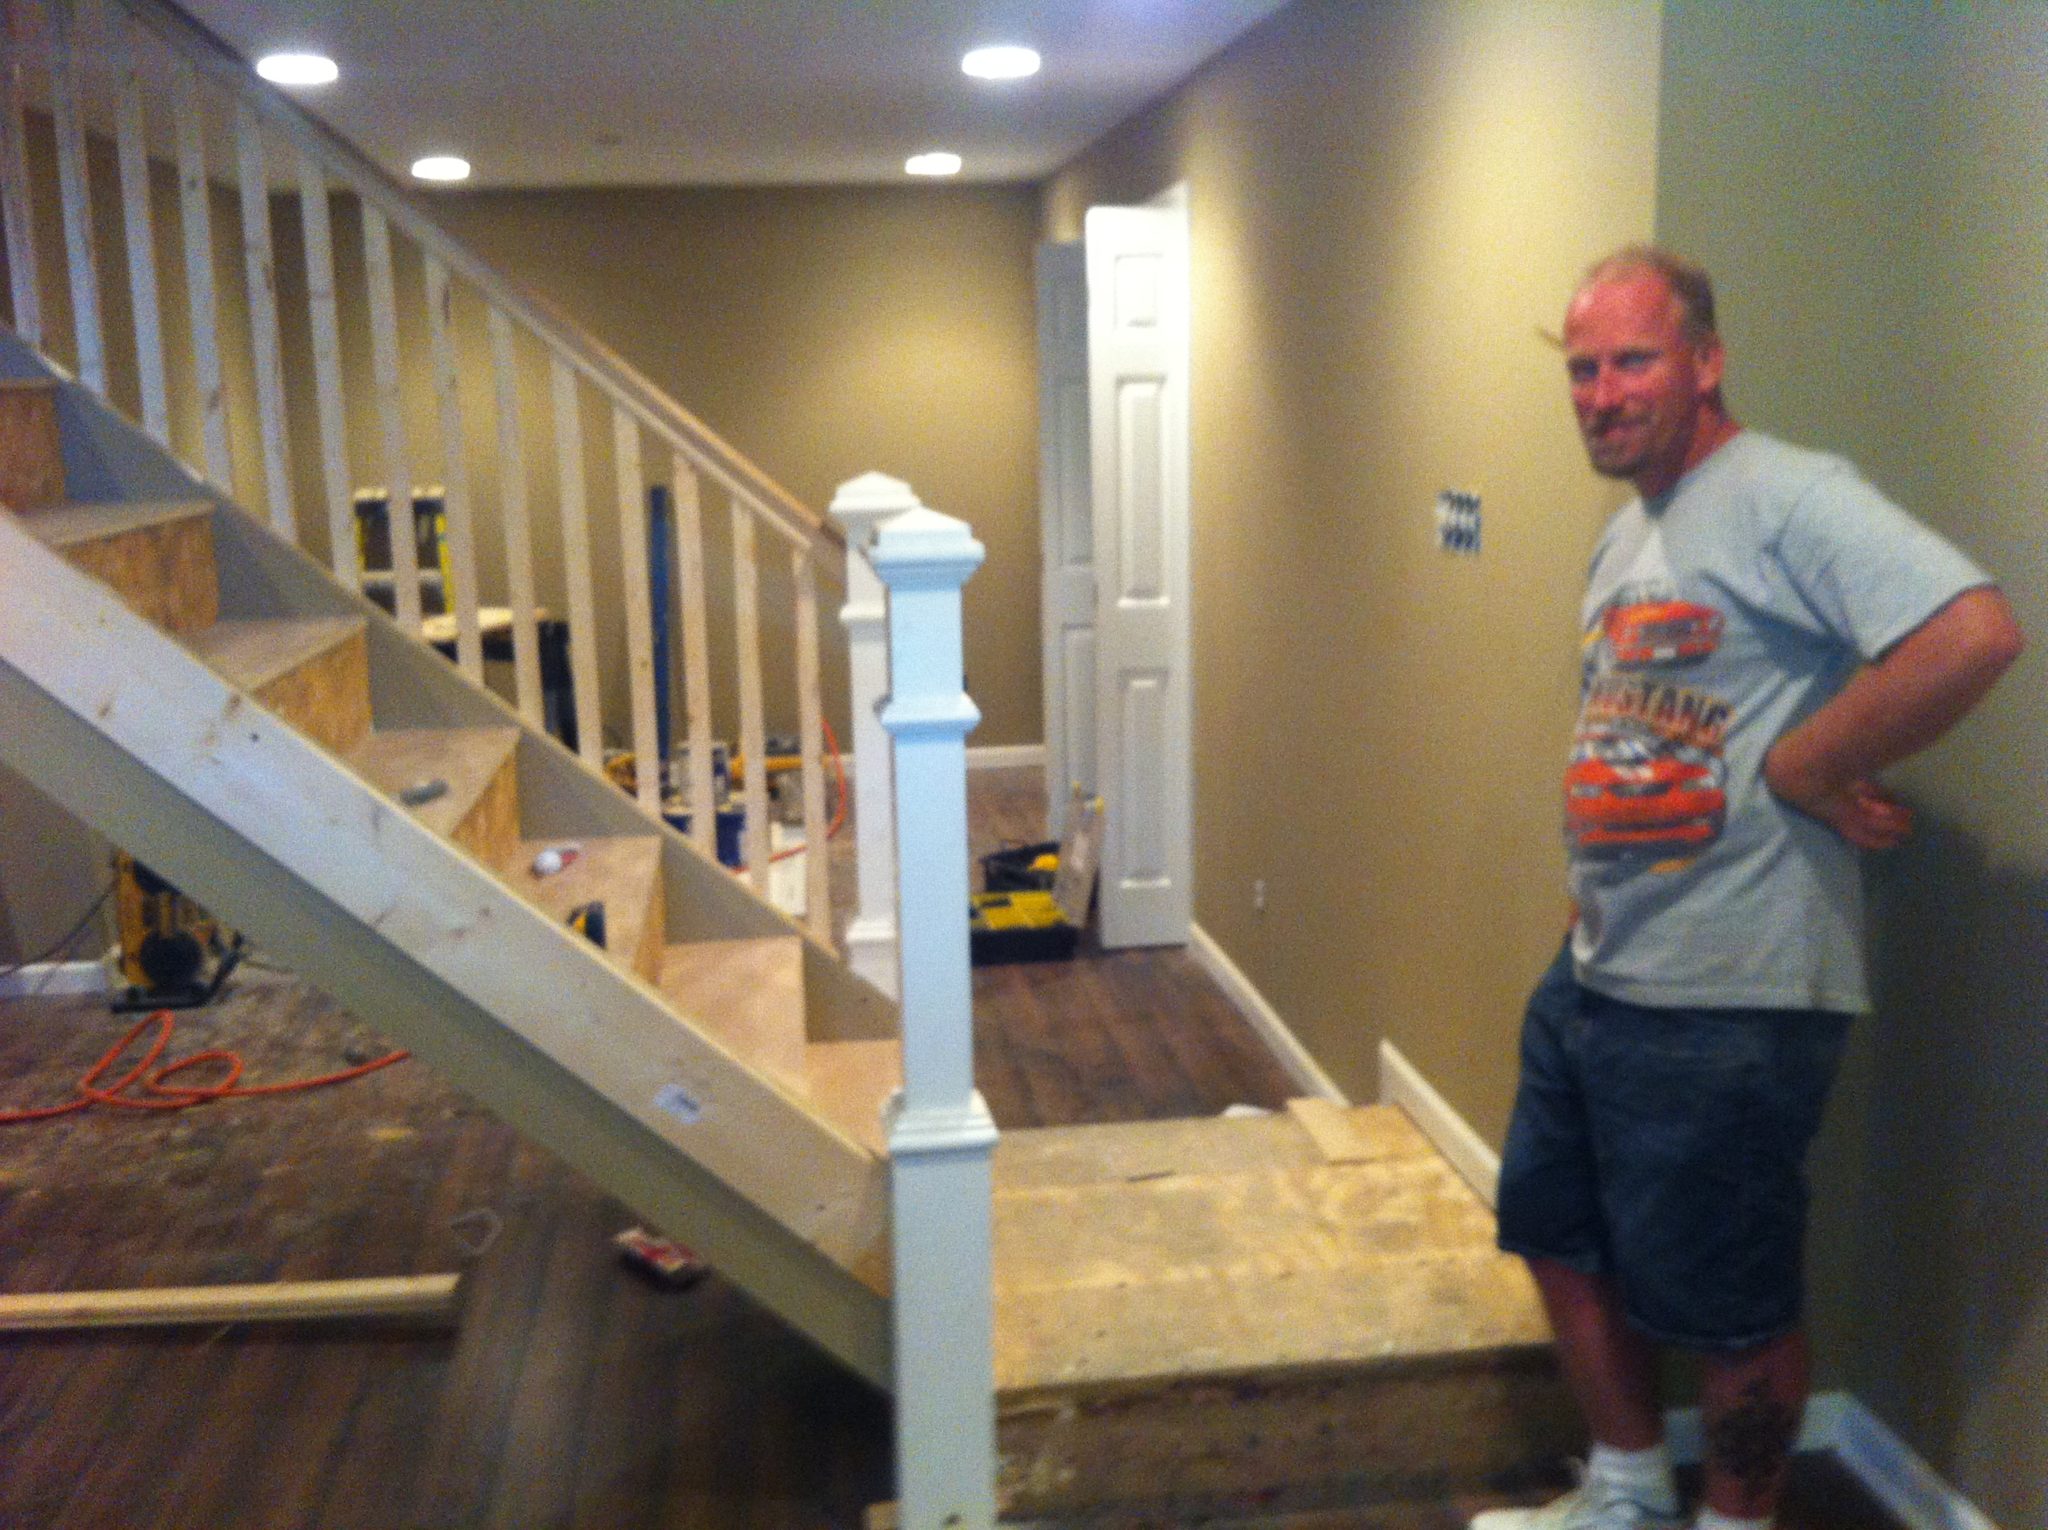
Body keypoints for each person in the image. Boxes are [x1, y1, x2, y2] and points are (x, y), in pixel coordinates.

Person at [1476, 248, 2024, 1530]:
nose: (1601, 394)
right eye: (1581, 370)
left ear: (1706, 361)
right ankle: (1624, 1491)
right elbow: (1637, 724)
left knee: (1729, 1302)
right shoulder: (1630, 530)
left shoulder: (1785, 495)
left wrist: (1804, 763)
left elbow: (1971, 631)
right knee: (1554, 1227)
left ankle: (1734, 1522)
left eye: (1632, 361)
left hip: (1728, 988)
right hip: (1600, 965)